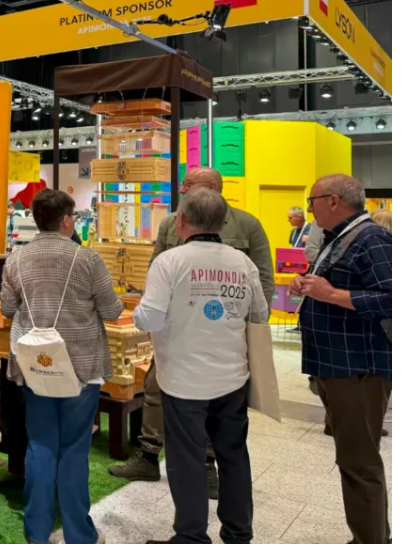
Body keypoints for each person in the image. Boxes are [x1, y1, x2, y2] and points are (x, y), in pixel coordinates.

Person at [110, 166, 274, 494]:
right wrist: (154, 315)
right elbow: (157, 267)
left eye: (188, 184)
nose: (182, 189)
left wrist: (250, 327)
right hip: (176, 331)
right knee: (155, 386)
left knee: (217, 396)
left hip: (223, 332)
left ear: (212, 187)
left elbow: (263, 280)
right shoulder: (171, 222)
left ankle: (208, 463)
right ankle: (148, 454)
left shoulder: (248, 225)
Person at [135, 188, 268, 544]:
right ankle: (238, 533)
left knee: (186, 459)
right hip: (233, 377)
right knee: (233, 455)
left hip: (183, 380)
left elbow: (150, 317)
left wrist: (138, 312)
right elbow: (260, 314)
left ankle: (192, 536)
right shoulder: (242, 263)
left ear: (181, 221)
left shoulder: (170, 262)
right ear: (223, 222)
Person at [0, 189, 123, 544]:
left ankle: (36, 532)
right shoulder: (88, 259)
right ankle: (79, 535)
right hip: (81, 369)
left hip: (35, 368)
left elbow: (7, 308)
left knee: (39, 447)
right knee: (74, 450)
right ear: (67, 221)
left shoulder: (16, 260)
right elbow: (112, 311)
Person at [291, 174, 391, 544]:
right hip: (338, 366)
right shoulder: (341, 238)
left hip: (359, 368)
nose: (309, 209)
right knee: (353, 460)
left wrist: (331, 294)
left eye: (312, 200)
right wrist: (307, 284)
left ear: (334, 201)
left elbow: (395, 297)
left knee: (359, 463)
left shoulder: (372, 239)